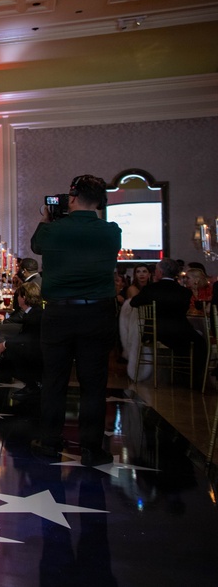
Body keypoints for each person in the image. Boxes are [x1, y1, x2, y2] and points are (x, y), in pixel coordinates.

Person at [31, 174, 120, 467]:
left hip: (58, 313)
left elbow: (36, 245)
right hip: (97, 314)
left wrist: (47, 217)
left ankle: (49, 442)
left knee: (54, 380)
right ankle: (92, 449)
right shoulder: (111, 232)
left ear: (72, 197)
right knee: (93, 384)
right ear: (100, 201)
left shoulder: (54, 230)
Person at [130, 258, 207, 387]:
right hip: (182, 331)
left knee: (181, 344)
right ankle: (196, 380)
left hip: (156, 331)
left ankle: (179, 375)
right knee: (201, 342)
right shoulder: (185, 292)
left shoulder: (151, 289)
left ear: (159, 272)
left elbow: (134, 303)